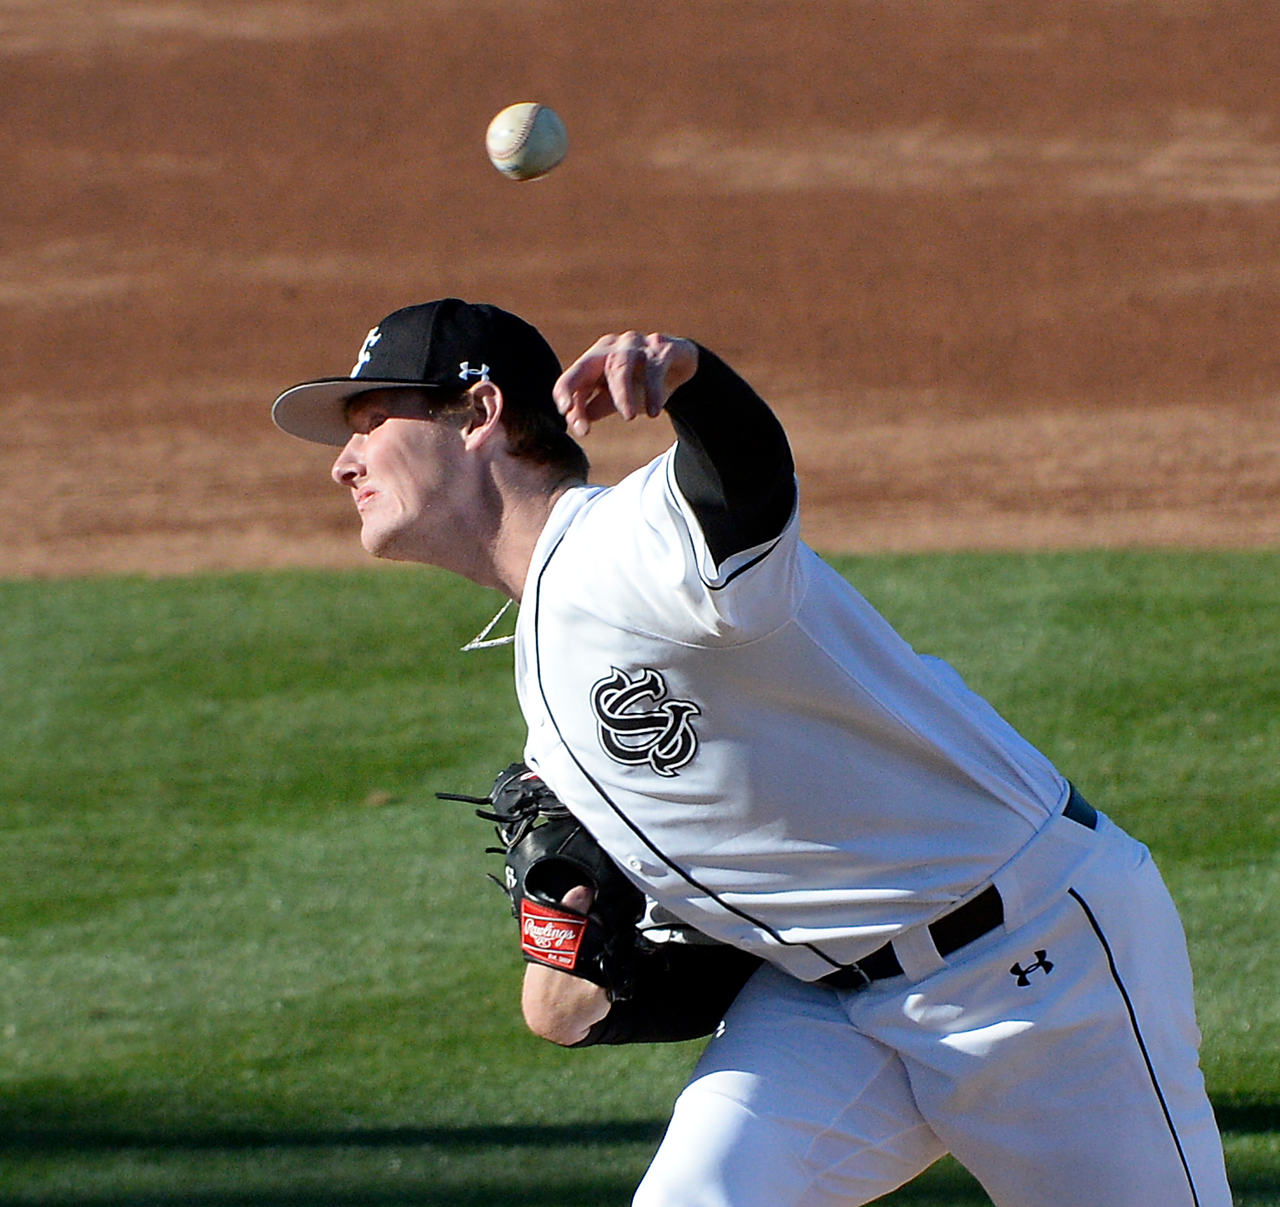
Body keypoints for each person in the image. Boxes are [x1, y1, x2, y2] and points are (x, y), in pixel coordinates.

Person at [272, 297, 1231, 1207]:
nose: (342, 461)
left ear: (480, 410)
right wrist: (572, 969)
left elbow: (747, 496)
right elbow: (612, 967)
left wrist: (695, 380)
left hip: (1036, 972)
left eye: (371, 420)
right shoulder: (544, 656)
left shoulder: (625, 542)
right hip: (833, 1005)